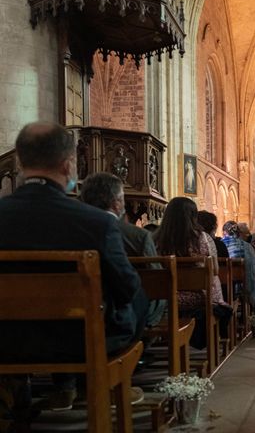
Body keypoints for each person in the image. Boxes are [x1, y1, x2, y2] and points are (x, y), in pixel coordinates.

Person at [0, 122, 148, 413]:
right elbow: (127, 287)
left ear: (19, 161)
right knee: (137, 296)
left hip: (6, 340)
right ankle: (100, 383)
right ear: (69, 165)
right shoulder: (98, 222)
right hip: (81, 342)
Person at [80, 172, 166, 328]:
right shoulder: (138, 236)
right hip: (119, 315)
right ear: (116, 203)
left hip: (79, 311)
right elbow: (158, 282)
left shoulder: (72, 231)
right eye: (123, 199)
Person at [154, 197, 232, 342]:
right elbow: (214, 270)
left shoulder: (156, 239)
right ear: (193, 216)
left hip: (165, 297)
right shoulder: (201, 237)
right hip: (198, 298)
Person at [222, 221, 255, 306]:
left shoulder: (220, 243)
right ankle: (251, 308)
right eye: (247, 234)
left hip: (220, 287)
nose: (249, 237)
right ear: (240, 234)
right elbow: (253, 270)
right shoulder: (247, 247)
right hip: (239, 287)